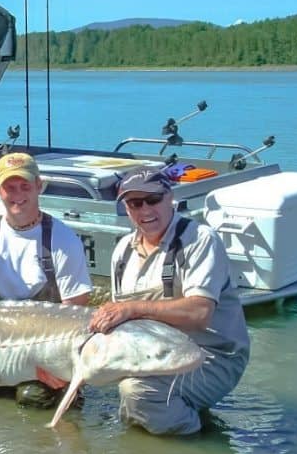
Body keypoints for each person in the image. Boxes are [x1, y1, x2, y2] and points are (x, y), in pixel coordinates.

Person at [89, 168, 250, 435]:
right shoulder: (122, 252)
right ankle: (185, 416)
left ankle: (199, 442)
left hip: (210, 355)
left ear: (170, 197)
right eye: (135, 203)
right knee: (124, 405)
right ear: (126, 208)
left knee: (137, 391)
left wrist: (132, 308)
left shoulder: (200, 239)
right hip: (153, 352)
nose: (145, 210)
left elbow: (200, 312)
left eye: (153, 200)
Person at [0, 152, 93, 405]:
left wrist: (60, 369)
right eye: (10, 187)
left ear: (38, 186)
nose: (17, 194)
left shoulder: (63, 240)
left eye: (25, 186)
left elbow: (77, 320)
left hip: (47, 352)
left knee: (33, 400)